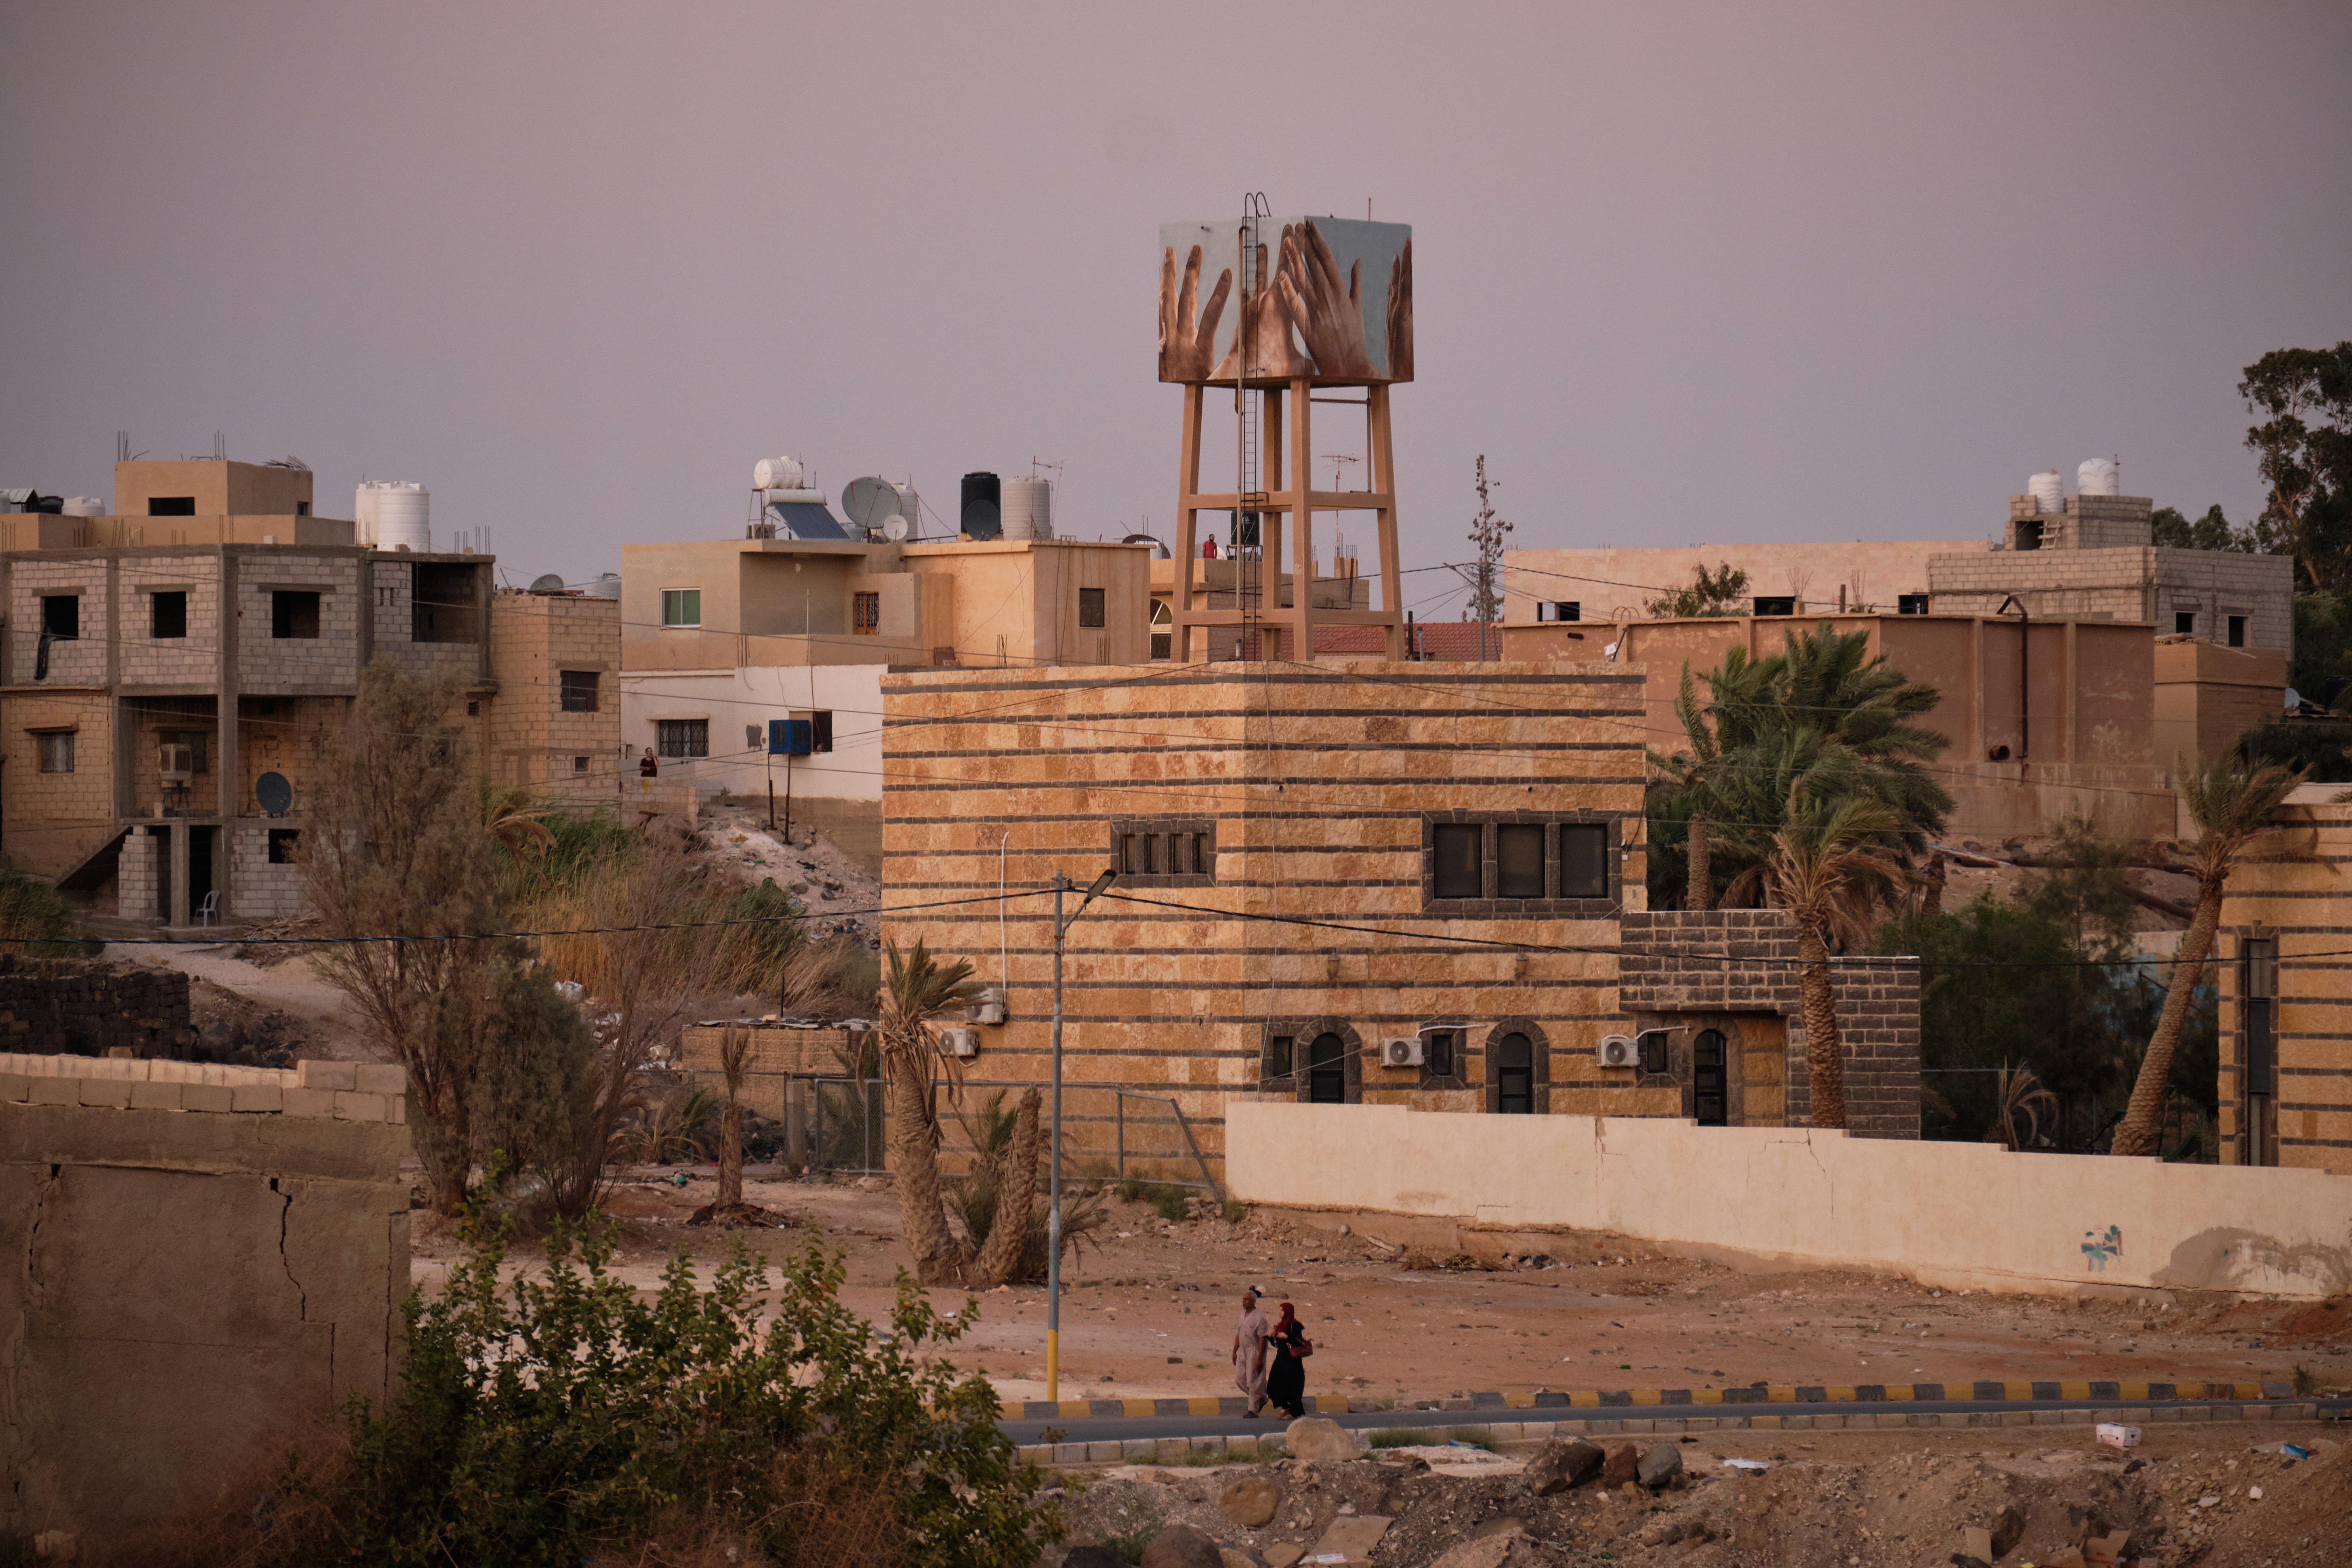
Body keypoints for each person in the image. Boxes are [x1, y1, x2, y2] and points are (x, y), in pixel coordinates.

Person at [1265, 1301, 1312, 1419]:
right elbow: (1277, 1345)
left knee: (1293, 1387)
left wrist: (1286, 1337)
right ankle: (1286, 1407)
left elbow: (1299, 1341)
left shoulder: (1294, 1325)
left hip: (1292, 1361)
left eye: (1282, 1310)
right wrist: (1270, 1336)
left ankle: (1294, 1413)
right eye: (1280, 1310)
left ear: (1288, 1312)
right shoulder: (1280, 1326)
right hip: (1281, 1360)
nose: (1280, 1313)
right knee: (1272, 1385)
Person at [1231, 1288, 1272, 1417]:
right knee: (1240, 1379)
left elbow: (1263, 1339)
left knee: (1253, 1381)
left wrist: (1260, 1358)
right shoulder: (1242, 1315)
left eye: (1247, 1299)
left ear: (1254, 1302)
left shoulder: (1259, 1318)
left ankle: (1252, 1410)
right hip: (1243, 1351)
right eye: (1243, 1299)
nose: (1244, 1302)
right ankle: (1262, 1398)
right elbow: (1239, 1334)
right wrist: (1234, 1351)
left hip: (1254, 1352)